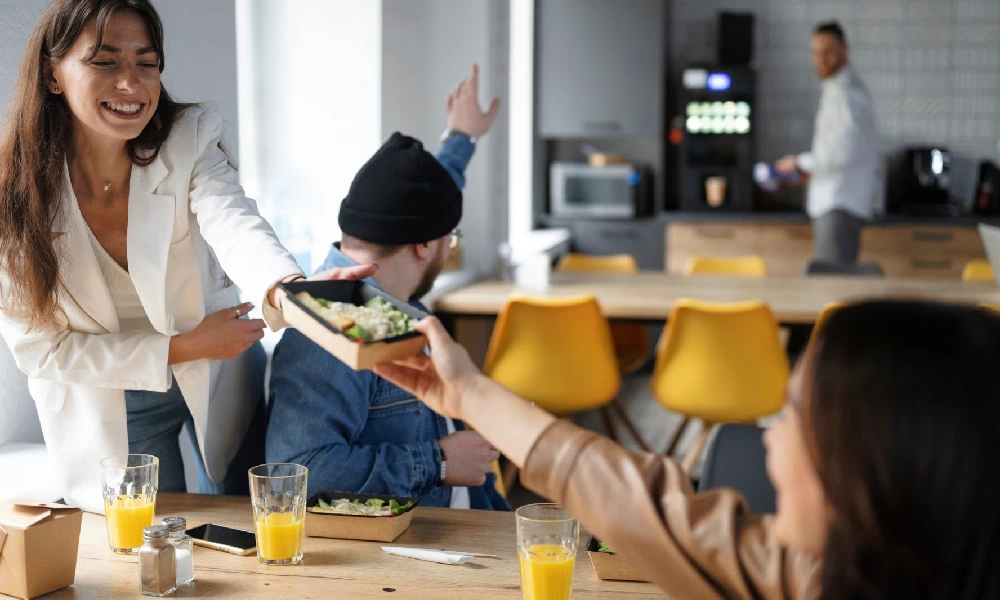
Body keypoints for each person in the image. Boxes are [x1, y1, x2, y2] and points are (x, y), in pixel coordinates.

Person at [0, 0, 373, 513]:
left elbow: (234, 220)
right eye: (105, 62)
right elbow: (42, 351)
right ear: (53, 74)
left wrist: (290, 293)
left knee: (252, 519)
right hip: (111, 395)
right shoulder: (15, 201)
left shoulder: (187, 139)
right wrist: (187, 345)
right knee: (154, 538)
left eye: (146, 63)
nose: (131, 84)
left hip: (217, 373)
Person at [374, 301, 1000, 599]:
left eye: (791, 413)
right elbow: (644, 506)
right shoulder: (814, 576)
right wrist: (471, 396)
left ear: (879, 465)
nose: (768, 435)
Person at [265, 66, 507, 510]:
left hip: (470, 513)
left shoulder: (387, 274)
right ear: (422, 246)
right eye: (447, 241)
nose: (447, 249)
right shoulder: (331, 329)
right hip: (425, 551)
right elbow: (295, 473)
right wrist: (434, 462)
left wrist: (462, 136)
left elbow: (430, 195)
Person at [776, 21, 877, 266]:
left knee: (832, 290)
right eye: (815, 52)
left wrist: (798, 162)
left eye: (828, 51)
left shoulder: (847, 95)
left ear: (846, 50)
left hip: (838, 206)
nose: (821, 59)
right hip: (834, 203)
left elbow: (841, 153)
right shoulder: (836, 90)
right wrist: (809, 172)